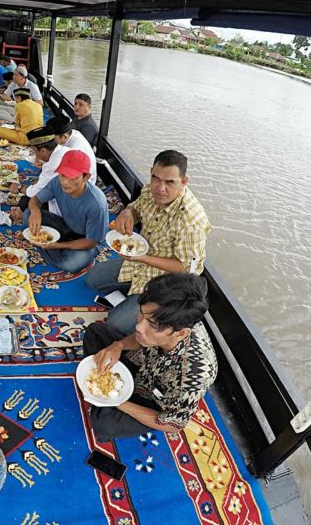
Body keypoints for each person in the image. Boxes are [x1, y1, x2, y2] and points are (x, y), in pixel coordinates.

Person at [87, 150, 210, 335]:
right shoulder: (149, 190)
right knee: (93, 279)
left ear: (184, 182)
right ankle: (134, 293)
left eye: (170, 182)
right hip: (140, 263)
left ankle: (141, 298)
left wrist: (143, 258)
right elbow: (136, 207)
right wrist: (128, 213)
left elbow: (186, 269)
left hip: (167, 284)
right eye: (156, 178)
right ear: (152, 172)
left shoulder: (192, 220)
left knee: (116, 324)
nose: (160, 188)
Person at [83, 273, 217, 440]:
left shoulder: (194, 375)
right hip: (142, 365)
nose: (138, 326)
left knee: (104, 424)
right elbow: (140, 337)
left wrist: (116, 401)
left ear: (180, 333)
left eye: (152, 324)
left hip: (154, 398)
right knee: (95, 332)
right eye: (141, 314)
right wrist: (118, 346)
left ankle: (110, 403)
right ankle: (107, 387)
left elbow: (172, 424)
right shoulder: (162, 325)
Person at [23, 150, 108, 273]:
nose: (65, 182)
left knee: (70, 264)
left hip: (87, 239)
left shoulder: (96, 204)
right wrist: (36, 211)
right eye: (62, 175)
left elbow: (91, 242)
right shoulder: (56, 182)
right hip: (66, 226)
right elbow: (35, 200)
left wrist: (59, 245)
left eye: (72, 177)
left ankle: (48, 247)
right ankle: (50, 247)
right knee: (28, 214)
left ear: (86, 177)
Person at [9, 124, 69, 215]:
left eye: (35, 152)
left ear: (43, 150)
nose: (36, 156)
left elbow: (35, 193)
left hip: (64, 209)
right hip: (66, 197)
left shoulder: (53, 164)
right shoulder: (64, 150)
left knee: (25, 203)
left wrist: (19, 187)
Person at [49, 115, 97, 182]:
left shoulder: (73, 150)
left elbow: (55, 173)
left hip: (83, 183)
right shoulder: (73, 132)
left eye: (53, 138)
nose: (51, 141)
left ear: (64, 137)